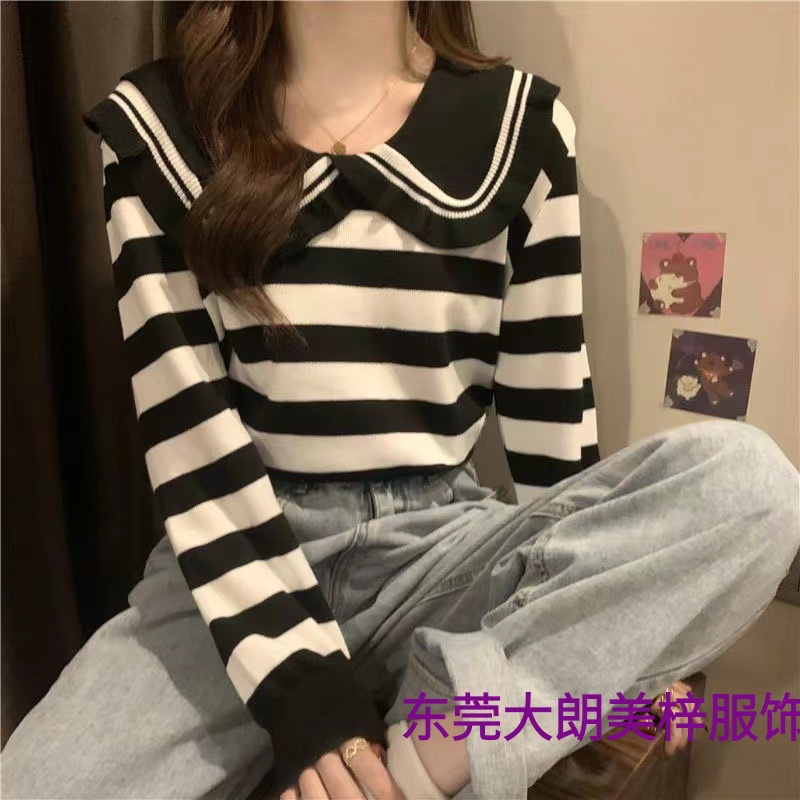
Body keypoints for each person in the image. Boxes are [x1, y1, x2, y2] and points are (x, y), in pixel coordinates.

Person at [3, 2, 798, 799]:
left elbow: (552, 426)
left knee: (752, 486)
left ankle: (424, 765)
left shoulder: (521, 130)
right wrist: (304, 695)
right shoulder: (158, 132)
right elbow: (193, 443)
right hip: (239, 563)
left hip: (445, 551)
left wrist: (606, 630)